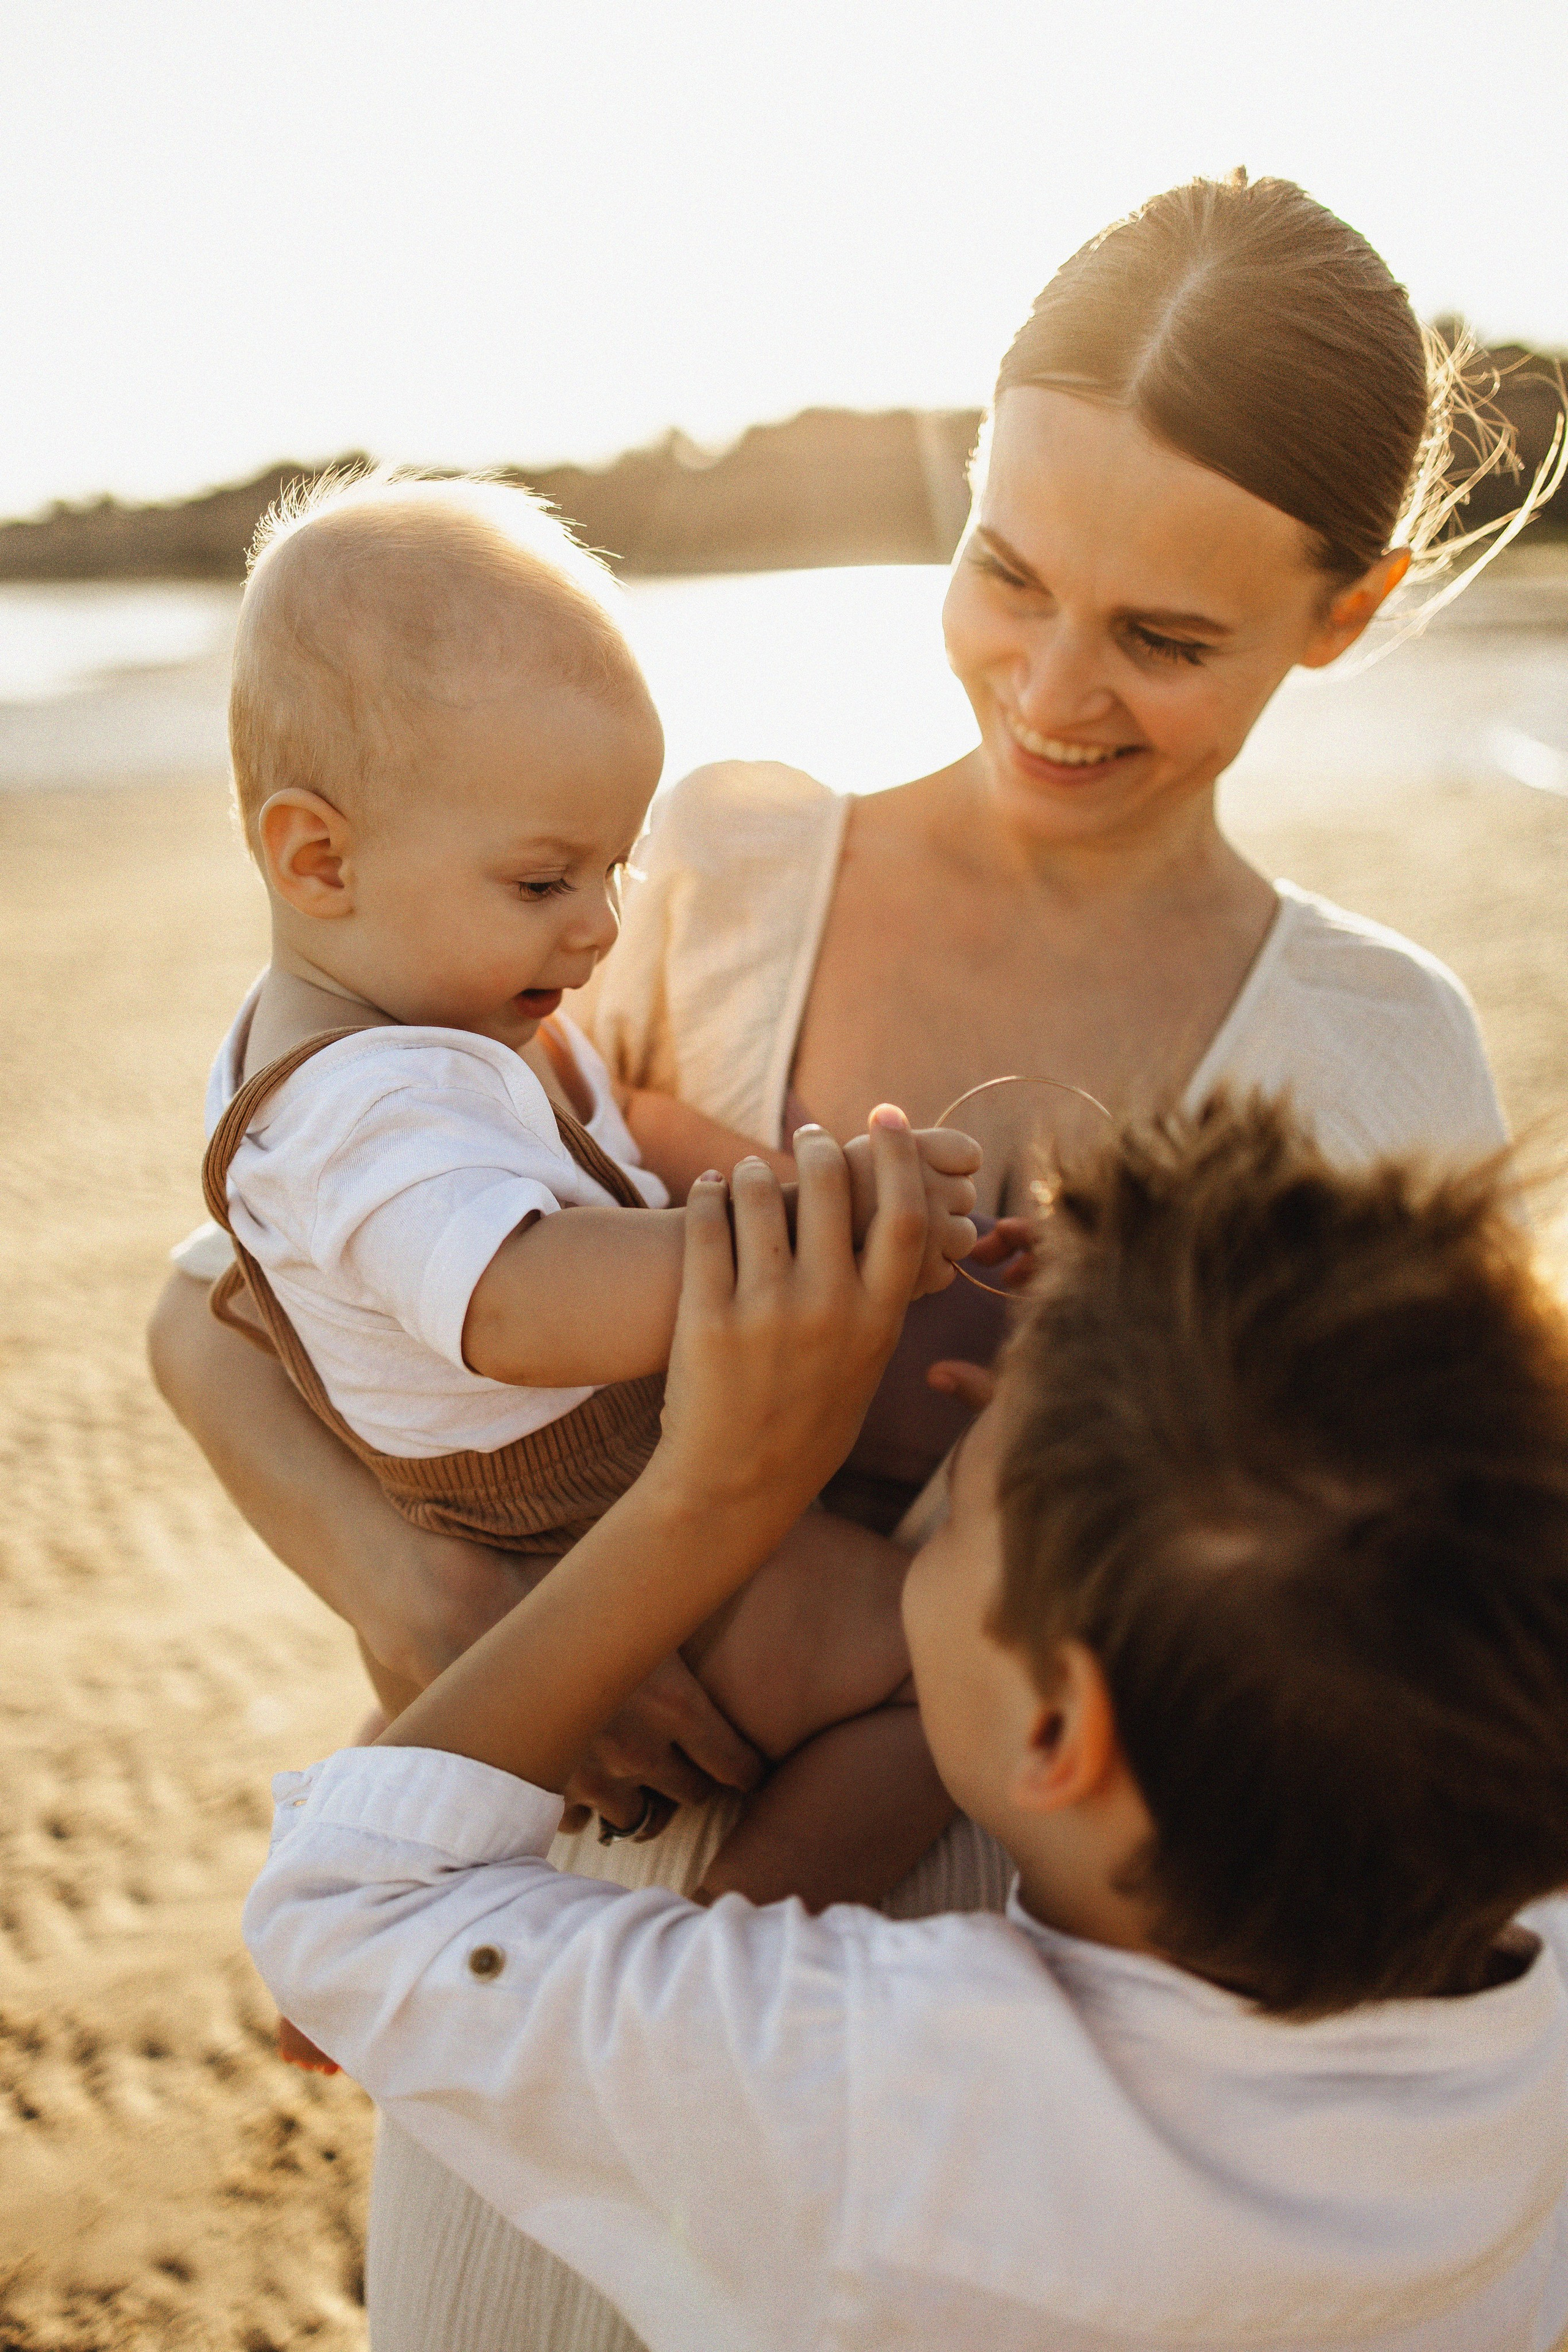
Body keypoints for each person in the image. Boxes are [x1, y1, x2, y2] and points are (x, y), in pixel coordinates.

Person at [150, 172, 1524, 2342]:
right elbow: (242, 1281)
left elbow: (1428, 1687)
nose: (1053, 689)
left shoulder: (1379, 1057)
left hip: (1021, 2085)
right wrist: (413, 1591)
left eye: (1166, 640)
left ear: (1341, 616)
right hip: (565, 1941)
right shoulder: (708, 864)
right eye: (1004, 572)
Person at [246, 1099, 1568, 2352]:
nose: (948, 1444)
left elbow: (351, 1911)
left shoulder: (871, 2091)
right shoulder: (1531, 2014)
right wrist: (1137, 1362)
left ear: (1057, 1733)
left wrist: (709, 1498)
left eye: (966, 1501)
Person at [202, 467, 979, 1923]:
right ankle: (723, 1946)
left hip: (574, 1508)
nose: (603, 923)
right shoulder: (362, 1112)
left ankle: (422, 1782)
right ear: (318, 858)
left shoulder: (422, 1011)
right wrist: (813, 1239)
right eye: (546, 879)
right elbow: (516, 1305)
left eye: (614, 866)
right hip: (578, 1527)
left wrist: (772, 1174)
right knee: (936, 1668)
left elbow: (624, 1135)